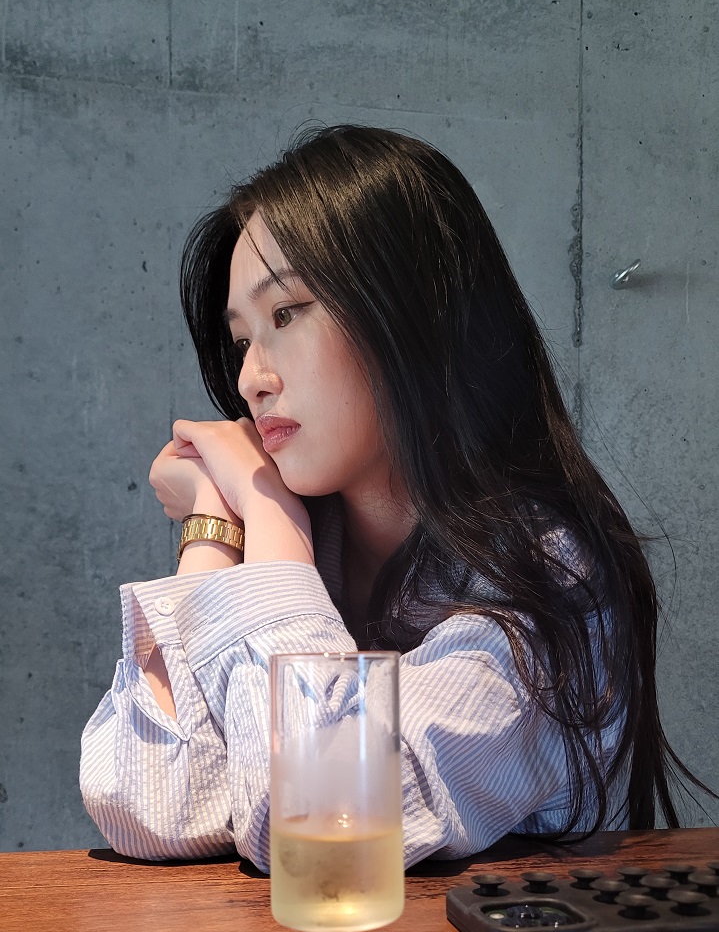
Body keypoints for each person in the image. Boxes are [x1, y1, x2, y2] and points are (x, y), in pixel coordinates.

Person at [79, 124, 704, 869]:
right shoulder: (309, 541)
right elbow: (148, 804)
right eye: (242, 339)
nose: (250, 379)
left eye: (286, 314)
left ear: (414, 312)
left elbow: (325, 826)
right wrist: (216, 524)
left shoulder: (546, 579)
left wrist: (263, 507)